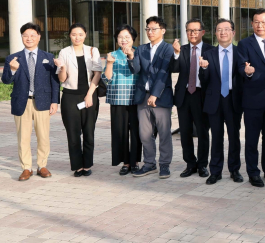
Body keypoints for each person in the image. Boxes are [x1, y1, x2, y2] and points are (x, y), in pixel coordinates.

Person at [2, 22, 60, 181]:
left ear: (39, 37)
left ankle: (42, 165)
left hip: (43, 102)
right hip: (22, 102)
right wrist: (12, 69)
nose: (29, 38)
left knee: (43, 136)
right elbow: (6, 81)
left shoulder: (48, 57)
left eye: (32, 35)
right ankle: (26, 168)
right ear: (21, 37)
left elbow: (55, 81)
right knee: (23, 138)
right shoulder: (12, 58)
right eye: (25, 36)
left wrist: (55, 101)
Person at [236, 8, 265, 187]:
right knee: (252, 139)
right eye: (256, 22)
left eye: (263, 22)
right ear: (252, 24)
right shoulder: (244, 44)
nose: (260, 25)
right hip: (253, 99)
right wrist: (246, 72)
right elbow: (240, 66)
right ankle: (253, 172)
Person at [128, 16, 175, 179]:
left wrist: (155, 94)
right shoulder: (141, 49)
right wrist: (131, 58)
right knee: (145, 133)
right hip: (143, 97)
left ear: (163, 30)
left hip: (161, 97)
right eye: (148, 29)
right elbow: (136, 71)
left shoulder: (168, 49)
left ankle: (164, 165)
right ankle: (149, 164)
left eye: (154, 29)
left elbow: (164, 73)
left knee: (164, 132)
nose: (150, 32)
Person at [199, 18, 244, 185]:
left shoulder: (241, 52)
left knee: (234, 136)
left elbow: (244, 75)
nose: (223, 32)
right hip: (214, 100)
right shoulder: (209, 53)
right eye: (219, 29)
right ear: (215, 33)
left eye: (226, 29)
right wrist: (203, 68)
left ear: (233, 32)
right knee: (216, 137)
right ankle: (215, 171)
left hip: (233, 99)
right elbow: (203, 80)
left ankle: (235, 170)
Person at [55, 23, 102, 177]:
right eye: (74, 34)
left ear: (85, 35)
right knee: (73, 133)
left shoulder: (92, 51)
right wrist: (61, 68)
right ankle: (77, 166)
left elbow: (97, 74)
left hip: (89, 94)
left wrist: (89, 95)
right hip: (69, 96)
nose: (77, 37)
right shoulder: (64, 52)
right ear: (69, 35)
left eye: (80, 34)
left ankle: (87, 164)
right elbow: (62, 79)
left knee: (89, 131)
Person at [171, 18, 214, 178]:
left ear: (202, 32)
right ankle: (190, 164)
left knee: (203, 132)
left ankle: (202, 165)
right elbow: (174, 69)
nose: (192, 33)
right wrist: (175, 54)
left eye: (196, 30)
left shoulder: (211, 50)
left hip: (202, 96)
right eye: (189, 30)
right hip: (184, 96)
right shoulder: (180, 49)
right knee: (185, 132)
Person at [103, 24, 142, 175]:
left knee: (137, 132)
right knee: (121, 132)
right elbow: (106, 80)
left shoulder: (140, 53)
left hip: (136, 99)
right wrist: (109, 64)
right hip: (118, 99)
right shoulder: (112, 55)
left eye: (127, 37)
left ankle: (135, 161)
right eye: (120, 37)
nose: (124, 40)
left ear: (133, 39)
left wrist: (131, 57)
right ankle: (126, 162)